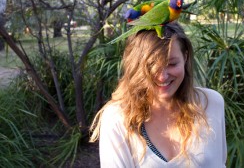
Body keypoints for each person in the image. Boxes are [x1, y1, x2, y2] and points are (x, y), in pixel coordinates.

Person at [90, 22, 227, 167]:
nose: (162, 77)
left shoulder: (211, 103)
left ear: (185, 57)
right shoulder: (117, 118)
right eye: (151, 65)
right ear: (135, 66)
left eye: (172, 64)